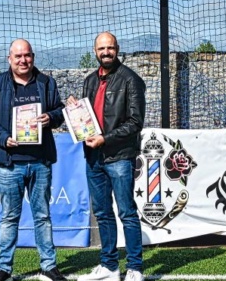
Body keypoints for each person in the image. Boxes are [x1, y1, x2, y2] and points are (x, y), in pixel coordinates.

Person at [0, 39, 67, 281]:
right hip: (9, 162)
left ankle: (49, 265)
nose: (23, 60)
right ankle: (4, 267)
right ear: (9, 59)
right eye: (18, 56)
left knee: (43, 215)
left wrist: (51, 117)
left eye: (27, 55)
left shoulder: (47, 83)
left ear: (33, 57)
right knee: (9, 217)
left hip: (40, 161)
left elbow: (60, 111)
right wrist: (2, 138)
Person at [71, 32, 146, 281]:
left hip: (120, 157)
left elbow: (136, 122)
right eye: (102, 48)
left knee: (126, 212)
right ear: (95, 51)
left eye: (110, 48)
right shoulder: (90, 81)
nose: (106, 52)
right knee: (102, 213)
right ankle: (110, 267)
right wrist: (75, 110)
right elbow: (87, 119)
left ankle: (135, 268)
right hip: (94, 157)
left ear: (117, 49)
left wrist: (107, 138)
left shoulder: (131, 80)